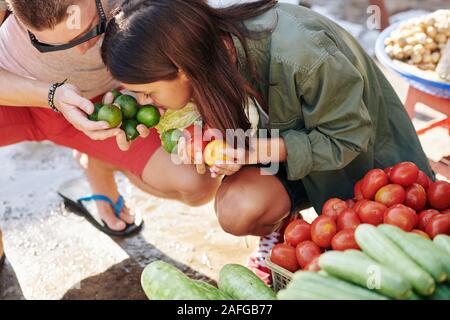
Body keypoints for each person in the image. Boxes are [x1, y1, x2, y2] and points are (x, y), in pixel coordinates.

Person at [101, 0, 434, 283]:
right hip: (295, 156)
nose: (142, 102)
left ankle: (316, 226)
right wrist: (208, 141)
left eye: (147, 92)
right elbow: (242, 126)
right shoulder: (203, 56)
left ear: (181, 68)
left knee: (385, 247)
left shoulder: (302, 54)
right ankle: (285, 229)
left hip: (358, 160)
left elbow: (347, 139)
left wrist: (250, 150)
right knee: (236, 209)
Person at [0, 0, 220, 267]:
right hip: (15, 94)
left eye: (91, 29)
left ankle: (98, 165)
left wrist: (138, 88)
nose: (82, 50)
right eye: (49, 44)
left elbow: (193, 46)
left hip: (104, 103)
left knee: (197, 184)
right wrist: (50, 94)